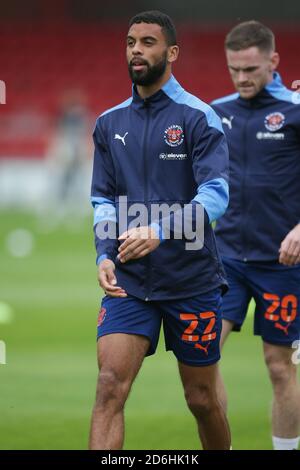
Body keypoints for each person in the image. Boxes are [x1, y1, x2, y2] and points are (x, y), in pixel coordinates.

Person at [89, 10, 231, 450]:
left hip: (190, 280)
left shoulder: (198, 117)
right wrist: (104, 252)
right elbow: (102, 200)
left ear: (171, 53)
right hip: (130, 282)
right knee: (110, 385)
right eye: (131, 41)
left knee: (202, 398)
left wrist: (159, 231)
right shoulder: (109, 123)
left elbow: (215, 196)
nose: (136, 50)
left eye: (148, 42)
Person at [211, 21, 300, 450]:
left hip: (281, 265)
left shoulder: (296, 109)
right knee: (202, 357)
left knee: (279, 365)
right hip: (224, 259)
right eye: (234, 70)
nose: (242, 78)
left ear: (273, 62)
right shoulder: (217, 112)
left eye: (250, 69)